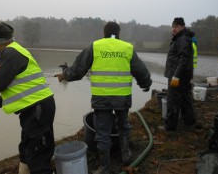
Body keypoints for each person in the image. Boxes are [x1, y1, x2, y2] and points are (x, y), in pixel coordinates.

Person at [54, 21, 152, 174]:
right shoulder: (127, 48)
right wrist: (146, 84)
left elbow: (78, 70)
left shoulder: (95, 46)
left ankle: (104, 168)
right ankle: (125, 156)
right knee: (123, 125)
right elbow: (141, 70)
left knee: (103, 133)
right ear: (118, 34)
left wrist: (65, 75)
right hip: (122, 97)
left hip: (102, 98)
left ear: (103, 33)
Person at [0, 22, 56, 174]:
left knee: (38, 156)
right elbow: (20, 88)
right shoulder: (16, 51)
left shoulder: (10, 54)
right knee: (27, 151)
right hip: (36, 108)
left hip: (37, 110)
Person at [161, 17, 197, 131]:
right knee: (185, 98)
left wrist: (176, 76)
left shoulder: (182, 39)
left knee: (173, 100)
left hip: (177, 76)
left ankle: (170, 126)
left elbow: (183, 59)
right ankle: (189, 121)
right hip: (183, 76)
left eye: (176, 26)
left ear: (182, 26)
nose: (173, 29)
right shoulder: (181, 38)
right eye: (172, 27)